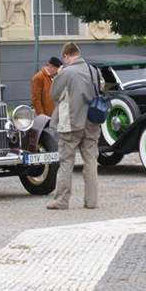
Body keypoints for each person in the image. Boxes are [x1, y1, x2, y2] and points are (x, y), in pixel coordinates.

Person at [47, 43, 101, 210]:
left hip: (71, 122)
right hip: (92, 121)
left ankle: (62, 200)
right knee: (91, 160)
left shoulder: (67, 72)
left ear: (66, 56)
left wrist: (60, 74)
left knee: (66, 161)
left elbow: (53, 95)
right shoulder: (94, 70)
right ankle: (91, 201)